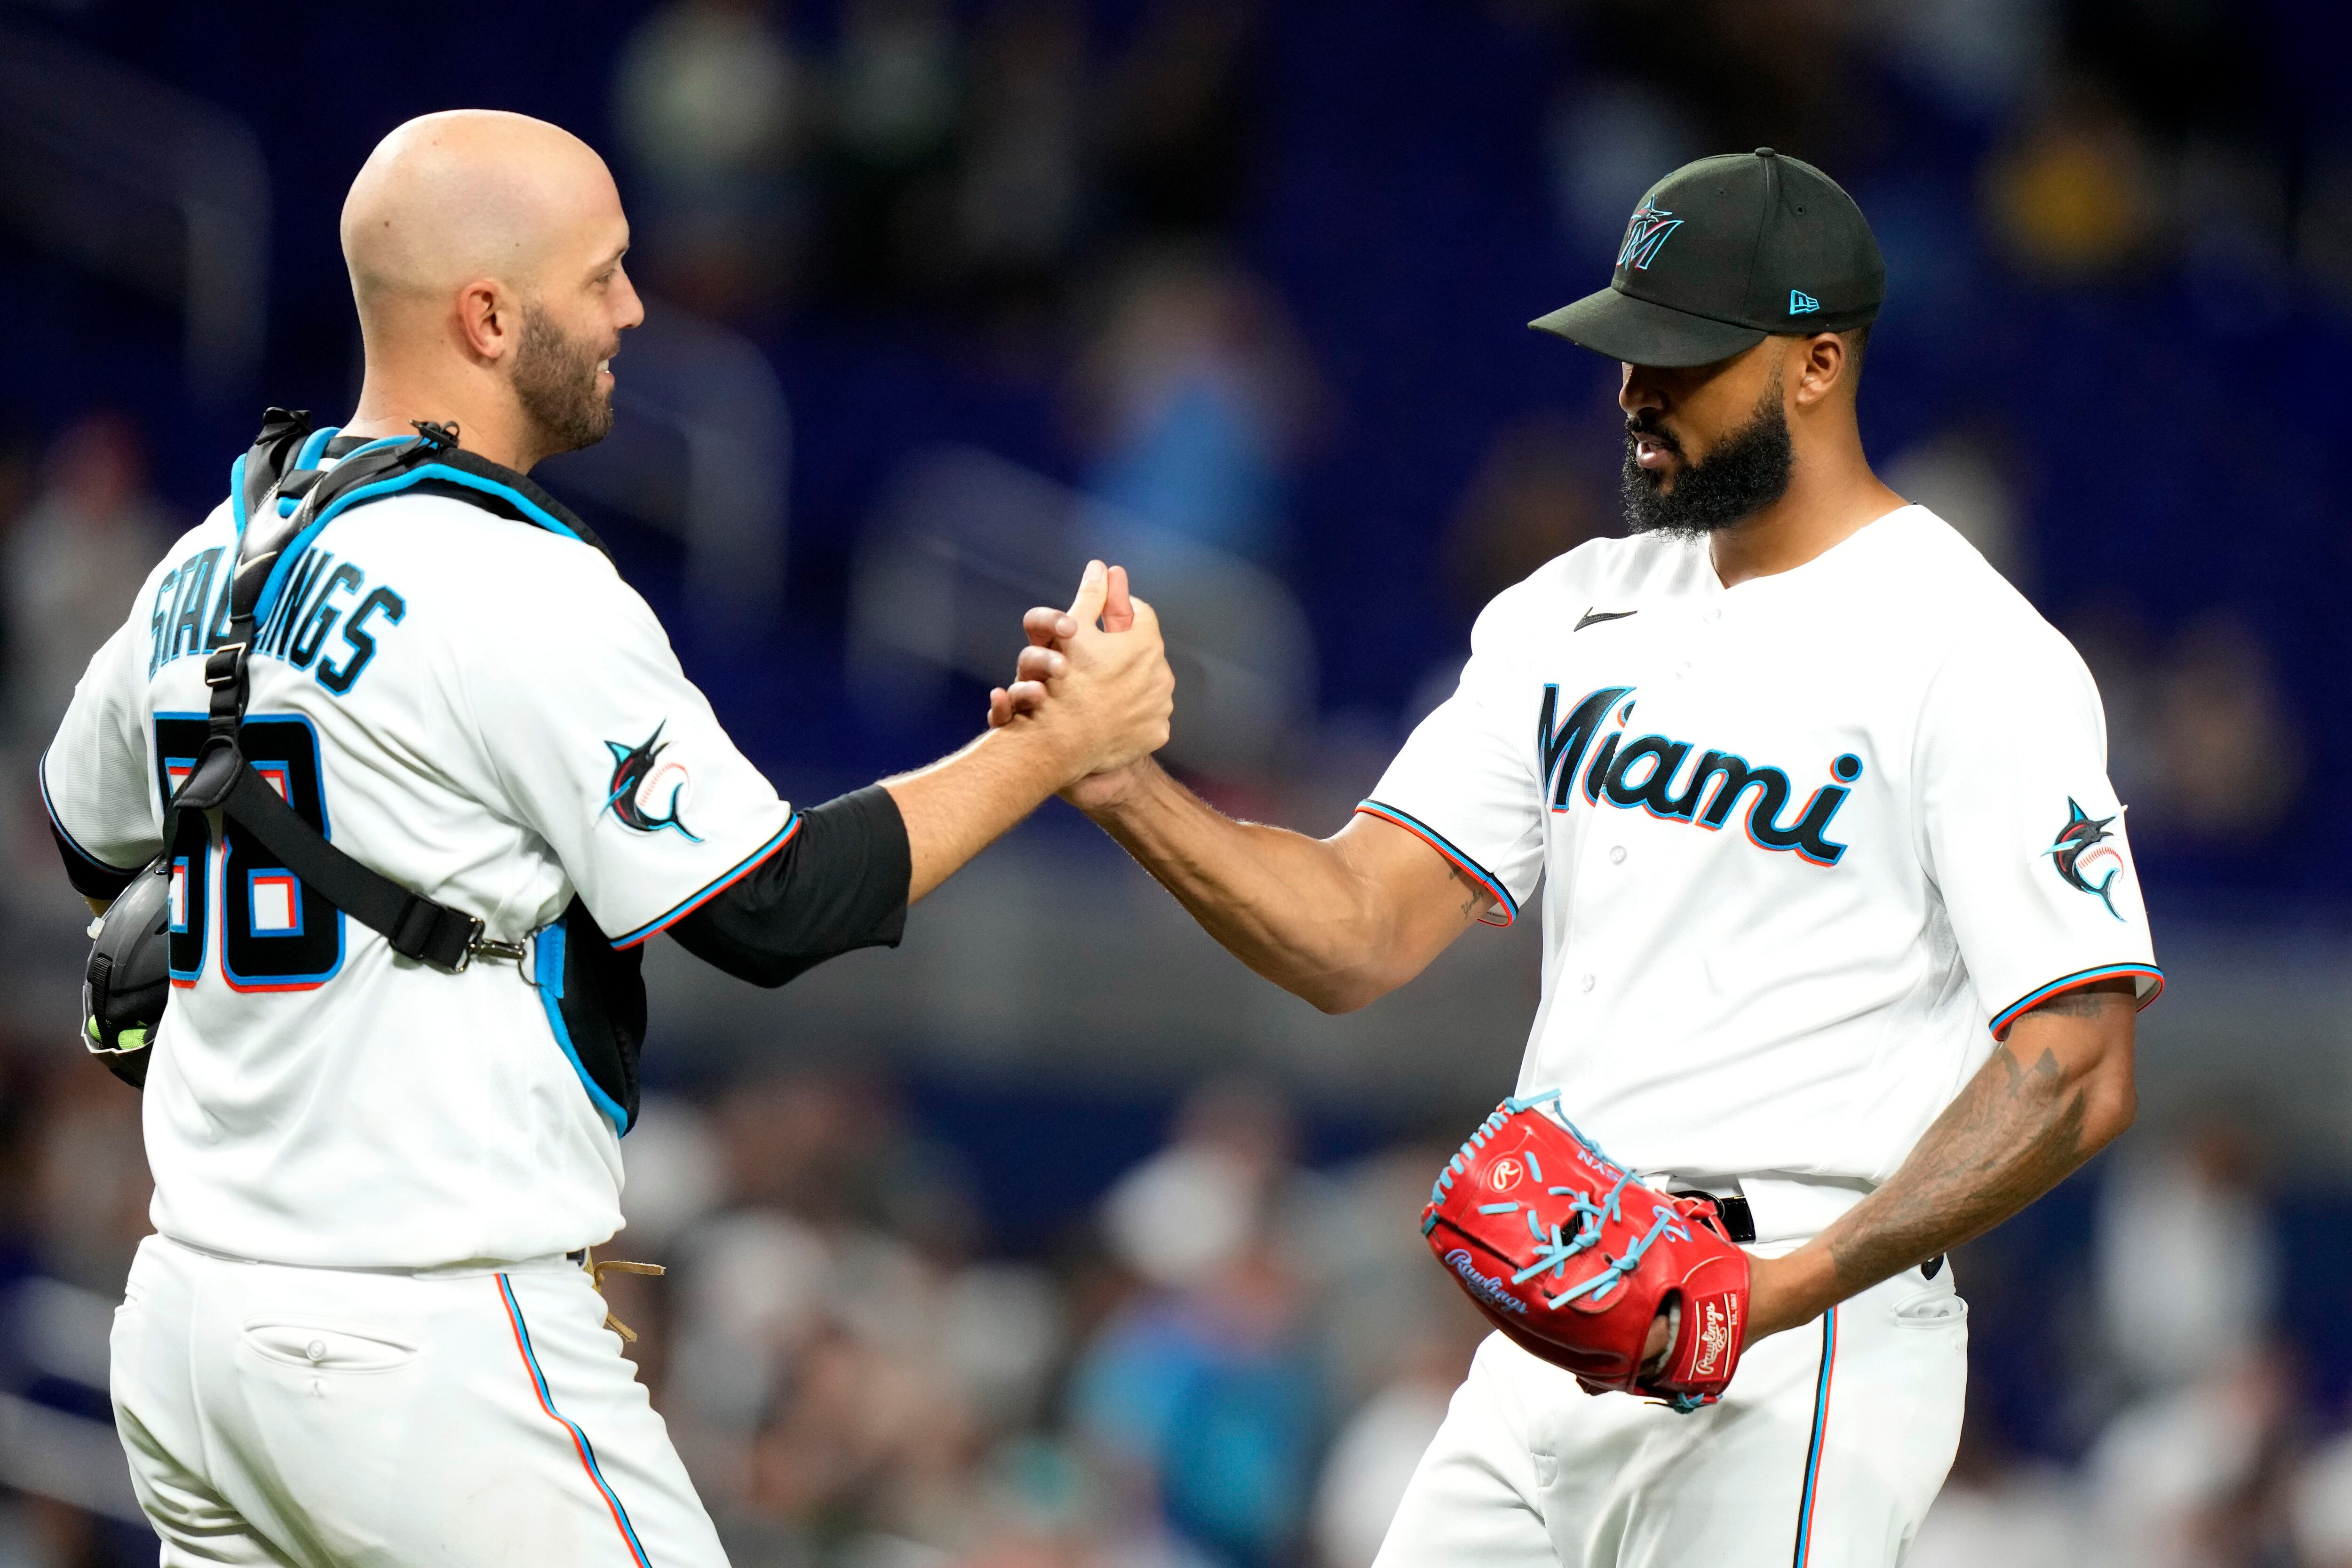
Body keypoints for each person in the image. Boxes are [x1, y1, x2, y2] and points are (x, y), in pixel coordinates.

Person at [994, 149, 2159, 1566]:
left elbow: (2078, 1060)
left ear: (1818, 362)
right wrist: (1123, 787)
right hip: (1563, 1303)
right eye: (1626, 352)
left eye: (1681, 361)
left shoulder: (1969, 653)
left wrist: (1781, 1289)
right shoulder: (1572, 615)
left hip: (1806, 1336)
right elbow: (1357, 929)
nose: (1635, 395)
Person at [40, 110, 1171, 1568]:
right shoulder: (515, 582)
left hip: (191, 1328)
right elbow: (773, 909)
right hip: (421, 1338)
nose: (636, 308)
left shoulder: (213, 555)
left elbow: (88, 841)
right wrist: (1056, 747)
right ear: (491, 315)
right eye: (604, 275)